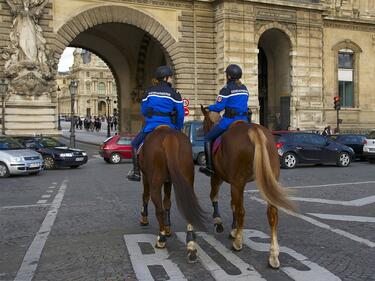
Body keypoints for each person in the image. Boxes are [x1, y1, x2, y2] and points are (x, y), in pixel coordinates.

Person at [127, 66, 184, 181]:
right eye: (171, 77)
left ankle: (136, 172)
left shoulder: (149, 92)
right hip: (170, 126)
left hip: (151, 126)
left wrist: (150, 118)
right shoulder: (174, 93)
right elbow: (181, 114)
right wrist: (178, 127)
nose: (172, 80)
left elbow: (143, 111)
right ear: (166, 78)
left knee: (134, 144)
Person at [199, 64, 249, 176]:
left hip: (229, 120)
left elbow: (219, 107)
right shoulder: (244, 88)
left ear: (229, 76)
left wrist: (209, 107)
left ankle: (209, 167)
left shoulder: (226, 89)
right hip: (244, 120)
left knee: (207, 138)